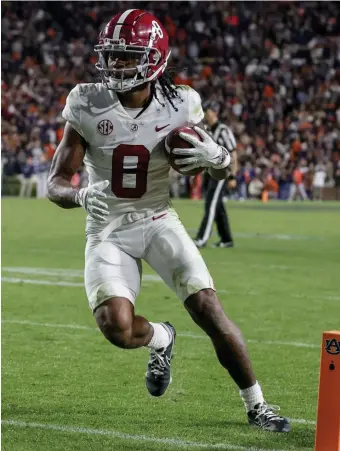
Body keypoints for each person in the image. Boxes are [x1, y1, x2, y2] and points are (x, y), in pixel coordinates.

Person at [47, 9, 290, 433]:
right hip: (107, 228)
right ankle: (161, 337)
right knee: (117, 329)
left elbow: (215, 170)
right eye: (112, 56)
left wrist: (220, 160)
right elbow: (55, 183)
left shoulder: (182, 103)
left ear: (153, 58)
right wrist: (81, 195)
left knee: (207, 306)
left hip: (158, 218)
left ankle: (258, 405)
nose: (115, 65)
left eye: (126, 56)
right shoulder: (86, 101)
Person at [194, 101, 237, 248]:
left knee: (210, 205)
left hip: (222, 173)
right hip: (210, 172)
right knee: (218, 207)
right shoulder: (206, 130)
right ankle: (226, 239)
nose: (206, 114)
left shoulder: (223, 130)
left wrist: (232, 176)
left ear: (215, 113)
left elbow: (233, 153)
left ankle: (201, 238)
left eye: (209, 111)